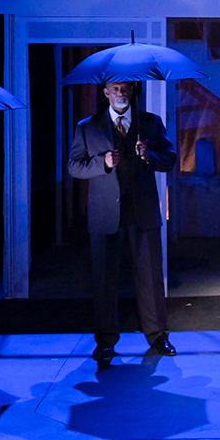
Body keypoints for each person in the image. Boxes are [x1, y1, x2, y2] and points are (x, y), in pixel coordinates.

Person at [68, 80, 177, 365]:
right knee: (104, 279)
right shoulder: (88, 127)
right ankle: (105, 342)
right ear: (105, 92)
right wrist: (102, 163)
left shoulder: (150, 123)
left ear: (133, 91)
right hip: (105, 214)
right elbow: (74, 166)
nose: (121, 93)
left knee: (150, 276)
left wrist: (149, 155)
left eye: (126, 88)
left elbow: (170, 159)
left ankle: (158, 335)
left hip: (142, 211)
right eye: (115, 88)